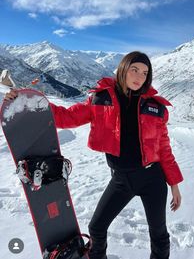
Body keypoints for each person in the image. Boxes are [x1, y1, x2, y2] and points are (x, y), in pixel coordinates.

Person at [5, 51, 183, 259]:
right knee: (97, 227)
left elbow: (164, 148)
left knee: (158, 234)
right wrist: (27, 100)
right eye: (134, 70)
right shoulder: (101, 99)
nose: (139, 77)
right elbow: (67, 117)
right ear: (123, 70)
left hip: (152, 179)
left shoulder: (156, 108)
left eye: (144, 73)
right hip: (121, 179)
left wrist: (174, 184)